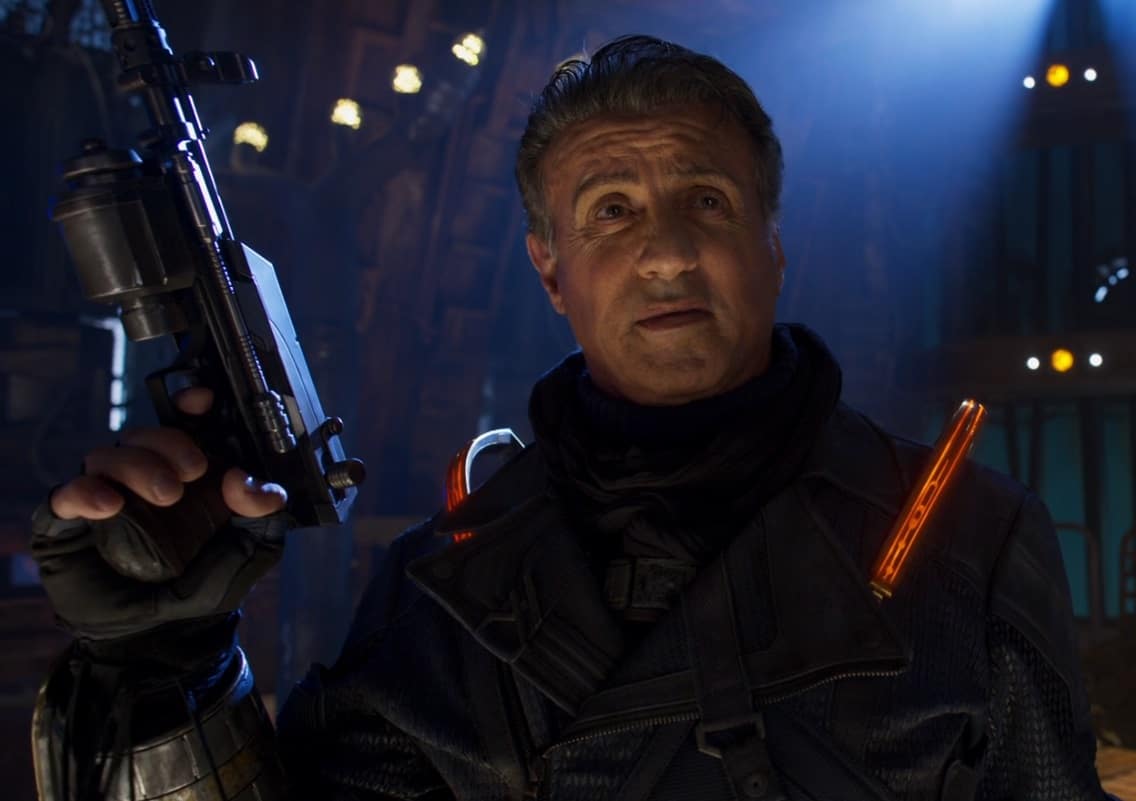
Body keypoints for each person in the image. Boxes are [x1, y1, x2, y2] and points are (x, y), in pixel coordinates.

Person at [30, 35, 1116, 801]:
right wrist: (164, 668)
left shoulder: (968, 538)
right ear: (551, 271)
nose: (666, 252)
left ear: (771, 245)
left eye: (706, 201)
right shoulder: (439, 592)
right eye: (611, 210)